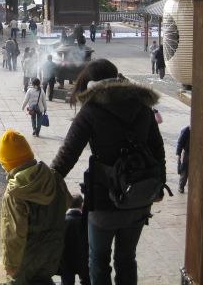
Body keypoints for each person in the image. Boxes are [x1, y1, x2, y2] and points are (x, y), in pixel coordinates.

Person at [50, 59, 166, 285]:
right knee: (127, 258)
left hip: (105, 197)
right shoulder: (142, 106)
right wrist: (159, 185)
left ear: (91, 82)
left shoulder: (91, 110)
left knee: (99, 260)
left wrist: (44, 182)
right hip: (139, 196)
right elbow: (157, 149)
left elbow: (67, 155)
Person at [0, 129, 72, 285]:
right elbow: (67, 203)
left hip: (25, 260)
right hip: (53, 253)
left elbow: (13, 234)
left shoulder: (15, 193)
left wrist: (10, 265)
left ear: (7, 163)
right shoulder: (54, 178)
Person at [59, 194, 90, 285]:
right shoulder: (86, 221)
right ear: (81, 205)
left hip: (65, 260)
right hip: (84, 260)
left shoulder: (61, 221)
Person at [176, 126, 190, 193]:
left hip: (196, 152)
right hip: (187, 153)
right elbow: (180, 143)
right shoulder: (187, 130)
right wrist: (178, 154)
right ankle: (181, 186)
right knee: (184, 170)